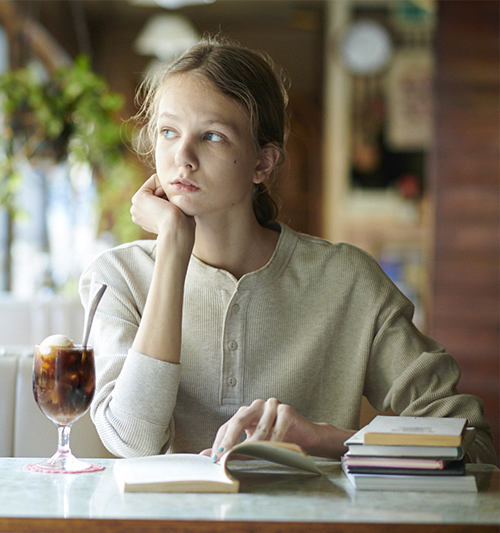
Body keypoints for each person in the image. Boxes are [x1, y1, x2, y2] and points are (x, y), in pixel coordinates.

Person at [78, 34, 496, 464]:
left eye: (213, 136)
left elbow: (473, 444)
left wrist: (325, 439)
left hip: (314, 530)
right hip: (173, 530)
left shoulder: (347, 279)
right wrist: (171, 248)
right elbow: (132, 441)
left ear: (263, 163)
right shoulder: (118, 276)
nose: (182, 156)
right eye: (168, 132)